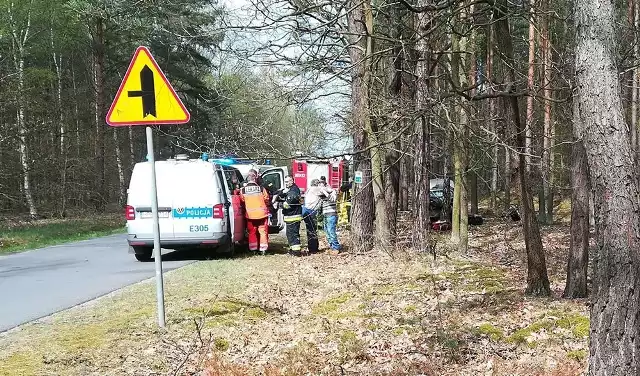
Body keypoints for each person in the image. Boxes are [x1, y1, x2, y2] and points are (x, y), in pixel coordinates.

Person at [240, 171, 270, 254]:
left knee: (252, 232)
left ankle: (253, 249)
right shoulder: (261, 188)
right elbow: (266, 199)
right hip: (262, 214)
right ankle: (263, 249)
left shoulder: (243, 190)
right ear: (255, 178)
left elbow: (242, 200)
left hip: (250, 215)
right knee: (263, 232)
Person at [277, 176, 303, 256]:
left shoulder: (293, 191)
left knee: (293, 234)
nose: (286, 183)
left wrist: (279, 204)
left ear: (292, 181)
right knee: (289, 234)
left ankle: (296, 252)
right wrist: (282, 193)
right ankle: (292, 250)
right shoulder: (289, 190)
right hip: (290, 217)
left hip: (293, 216)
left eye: (288, 181)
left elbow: (287, 204)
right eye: (285, 182)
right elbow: (281, 194)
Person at [319, 180, 341, 254]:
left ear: (325, 186)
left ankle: (336, 247)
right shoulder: (322, 195)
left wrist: (325, 192)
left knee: (331, 231)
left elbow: (332, 199)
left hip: (331, 215)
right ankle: (332, 246)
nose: (321, 188)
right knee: (327, 232)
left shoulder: (333, 192)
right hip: (325, 215)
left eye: (322, 186)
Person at [302, 179, 323, 253]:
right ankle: (313, 248)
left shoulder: (309, 189)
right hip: (311, 211)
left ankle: (311, 247)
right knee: (312, 229)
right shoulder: (316, 189)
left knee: (309, 229)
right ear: (317, 184)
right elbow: (325, 191)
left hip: (305, 210)